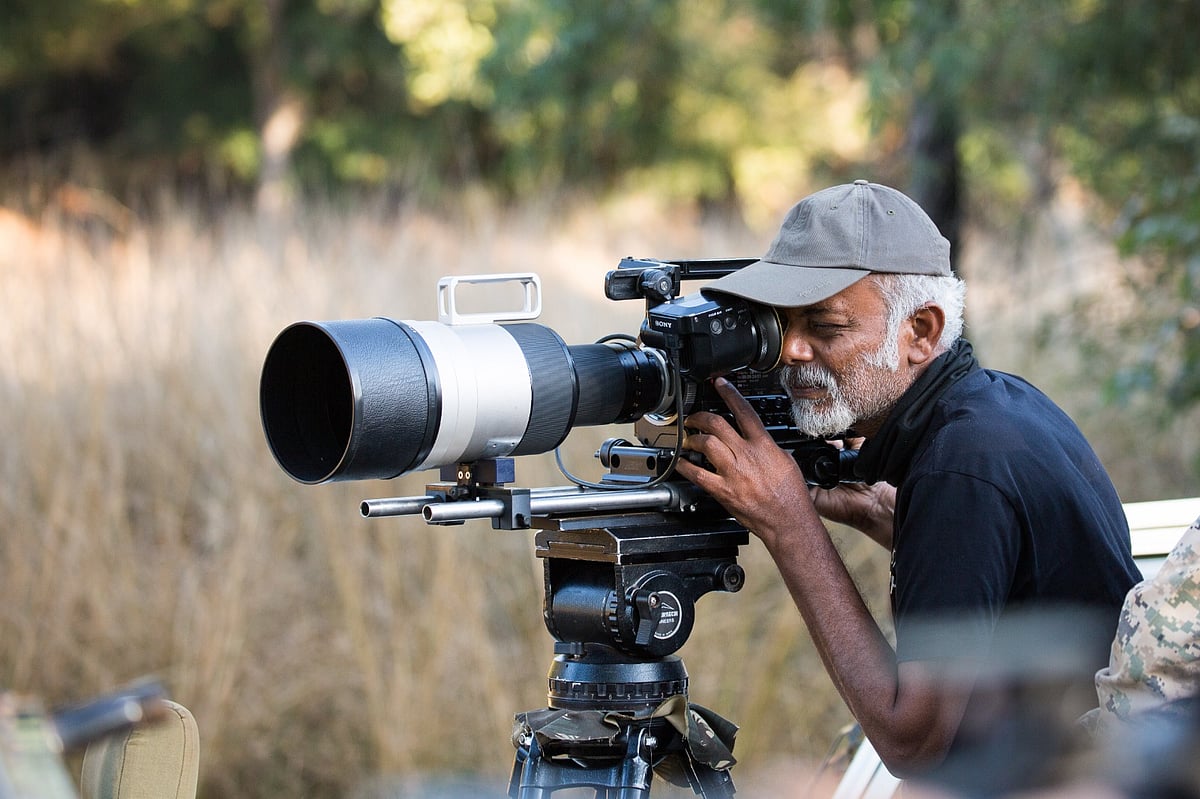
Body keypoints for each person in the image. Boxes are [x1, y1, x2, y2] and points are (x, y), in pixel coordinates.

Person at [673, 180, 1143, 779]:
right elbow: (1021, 576)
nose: (791, 349)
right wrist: (893, 519)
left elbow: (913, 743)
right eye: (781, 325)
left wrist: (788, 521)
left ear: (919, 332)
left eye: (826, 326)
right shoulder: (999, 407)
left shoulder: (962, 467)